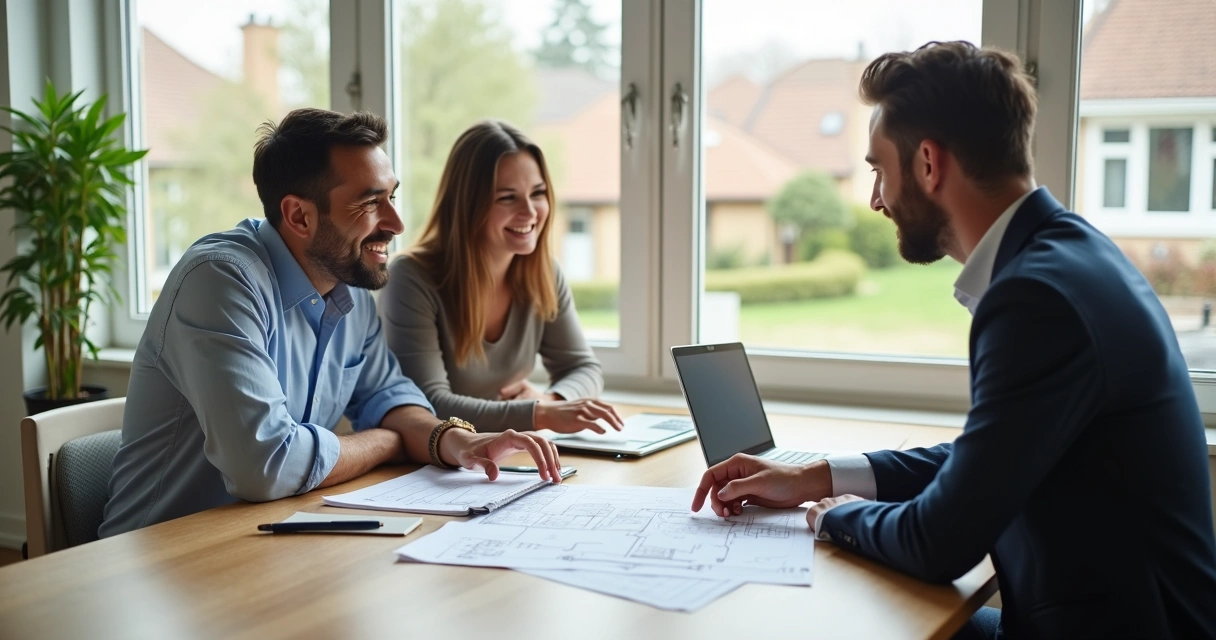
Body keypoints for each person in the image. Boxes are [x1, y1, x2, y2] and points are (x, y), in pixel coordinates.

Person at [691, 41, 1216, 639]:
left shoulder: (1037, 298)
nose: (875, 199)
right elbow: (983, 460)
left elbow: (939, 542)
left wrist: (837, 517)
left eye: (878, 171)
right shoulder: (1070, 255)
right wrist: (814, 477)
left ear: (929, 164)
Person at [100, 109, 564, 538]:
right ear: (299, 215)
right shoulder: (221, 281)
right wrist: (388, 442)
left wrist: (457, 442)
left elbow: (389, 397)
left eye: (393, 197)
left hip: (268, 540)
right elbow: (267, 466)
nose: (397, 223)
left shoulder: (350, 286)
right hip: (162, 556)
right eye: (370, 203)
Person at [379, 120, 623, 434]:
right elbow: (429, 404)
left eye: (538, 193)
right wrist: (539, 414)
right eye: (507, 198)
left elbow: (583, 368)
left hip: (507, 453)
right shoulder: (411, 278)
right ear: (467, 205)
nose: (531, 212)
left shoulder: (543, 272)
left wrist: (551, 399)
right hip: (434, 464)